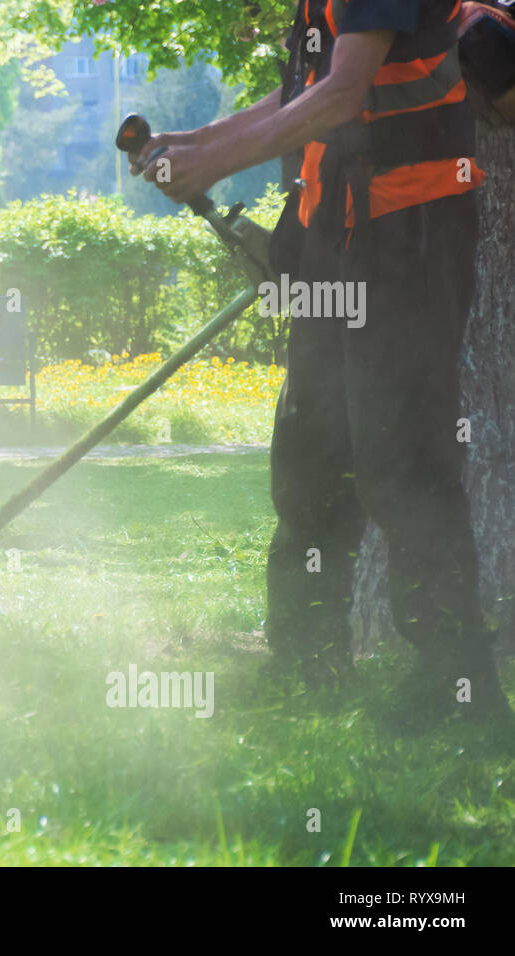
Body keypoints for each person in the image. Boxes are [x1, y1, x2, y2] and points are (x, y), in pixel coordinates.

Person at [134, 0, 511, 731]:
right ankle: (306, 666)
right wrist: (202, 137)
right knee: (310, 458)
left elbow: (343, 93)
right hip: (333, 231)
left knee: (404, 466)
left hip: (407, 237)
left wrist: (213, 162)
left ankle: (457, 691)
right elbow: (311, 87)